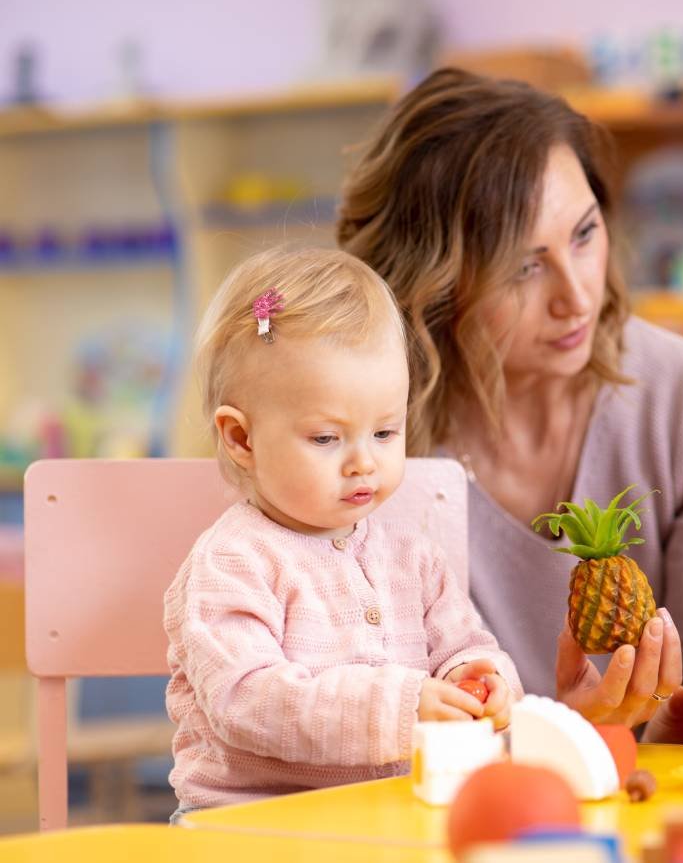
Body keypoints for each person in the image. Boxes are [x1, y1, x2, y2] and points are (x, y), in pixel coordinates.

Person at [337, 68, 683, 745]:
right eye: (524, 266)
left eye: (584, 233)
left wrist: (626, 730)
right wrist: (563, 735)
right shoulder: (361, 448)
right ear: (434, 283)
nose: (576, 295)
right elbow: (368, 728)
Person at [164, 247, 520, 816]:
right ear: (242, 439)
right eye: (327, 439)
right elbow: (244, 699)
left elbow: (463, 645)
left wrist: (479, 676)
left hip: (394, 816)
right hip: (251, 826)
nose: (364, 463)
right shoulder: (233, 562)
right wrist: (400, 709)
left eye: (385, 432)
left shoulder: (413, 558)